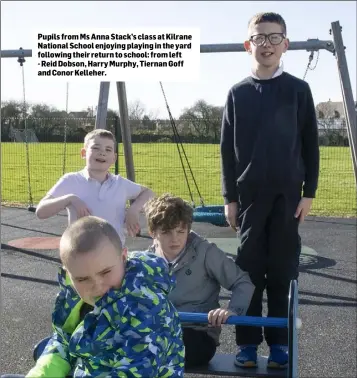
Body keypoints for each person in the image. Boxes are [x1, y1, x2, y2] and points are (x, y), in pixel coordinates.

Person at [220, 11, 319, 369]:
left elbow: (311, 146)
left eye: (274, 37)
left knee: (282, 271)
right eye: (260, 38)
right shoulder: (237, 93)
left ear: (285, 45)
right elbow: (226, 153)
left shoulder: (299, 90)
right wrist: (230, 198)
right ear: (249, 44)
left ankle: (279, 343)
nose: (267, 44)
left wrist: (309, 193)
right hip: (249, 200)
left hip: (288, 199)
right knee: (248, 271)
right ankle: (246, 341)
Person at [23, 216, 185, 377]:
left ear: (123, 258)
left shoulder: (147, 311)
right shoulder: (73, 295)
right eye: (82, 279)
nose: (97, 286)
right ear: (69, 274)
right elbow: (63, 339)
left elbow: (133, 372)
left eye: (105, 272)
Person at [144, 193, 255, 368]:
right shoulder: (146, 260)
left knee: (157, 349)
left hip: (197, 334)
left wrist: (233, 310)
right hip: (159, 331)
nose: (175, 239)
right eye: (166, 232)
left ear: (188, 229)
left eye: (181, 231)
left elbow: (242, 281)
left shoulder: (205, 252)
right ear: (153, 232)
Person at [35, 129, 154, 246]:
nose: (102, 153)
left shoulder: (120, 183)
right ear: (83, 153)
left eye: (108, 149)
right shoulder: (71, 180)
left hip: (114, 255)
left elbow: (148, 192)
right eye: (96, 148)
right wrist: (70, 199)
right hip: (80, 254)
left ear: (114, 158)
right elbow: (41, 211)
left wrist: (133, 210)